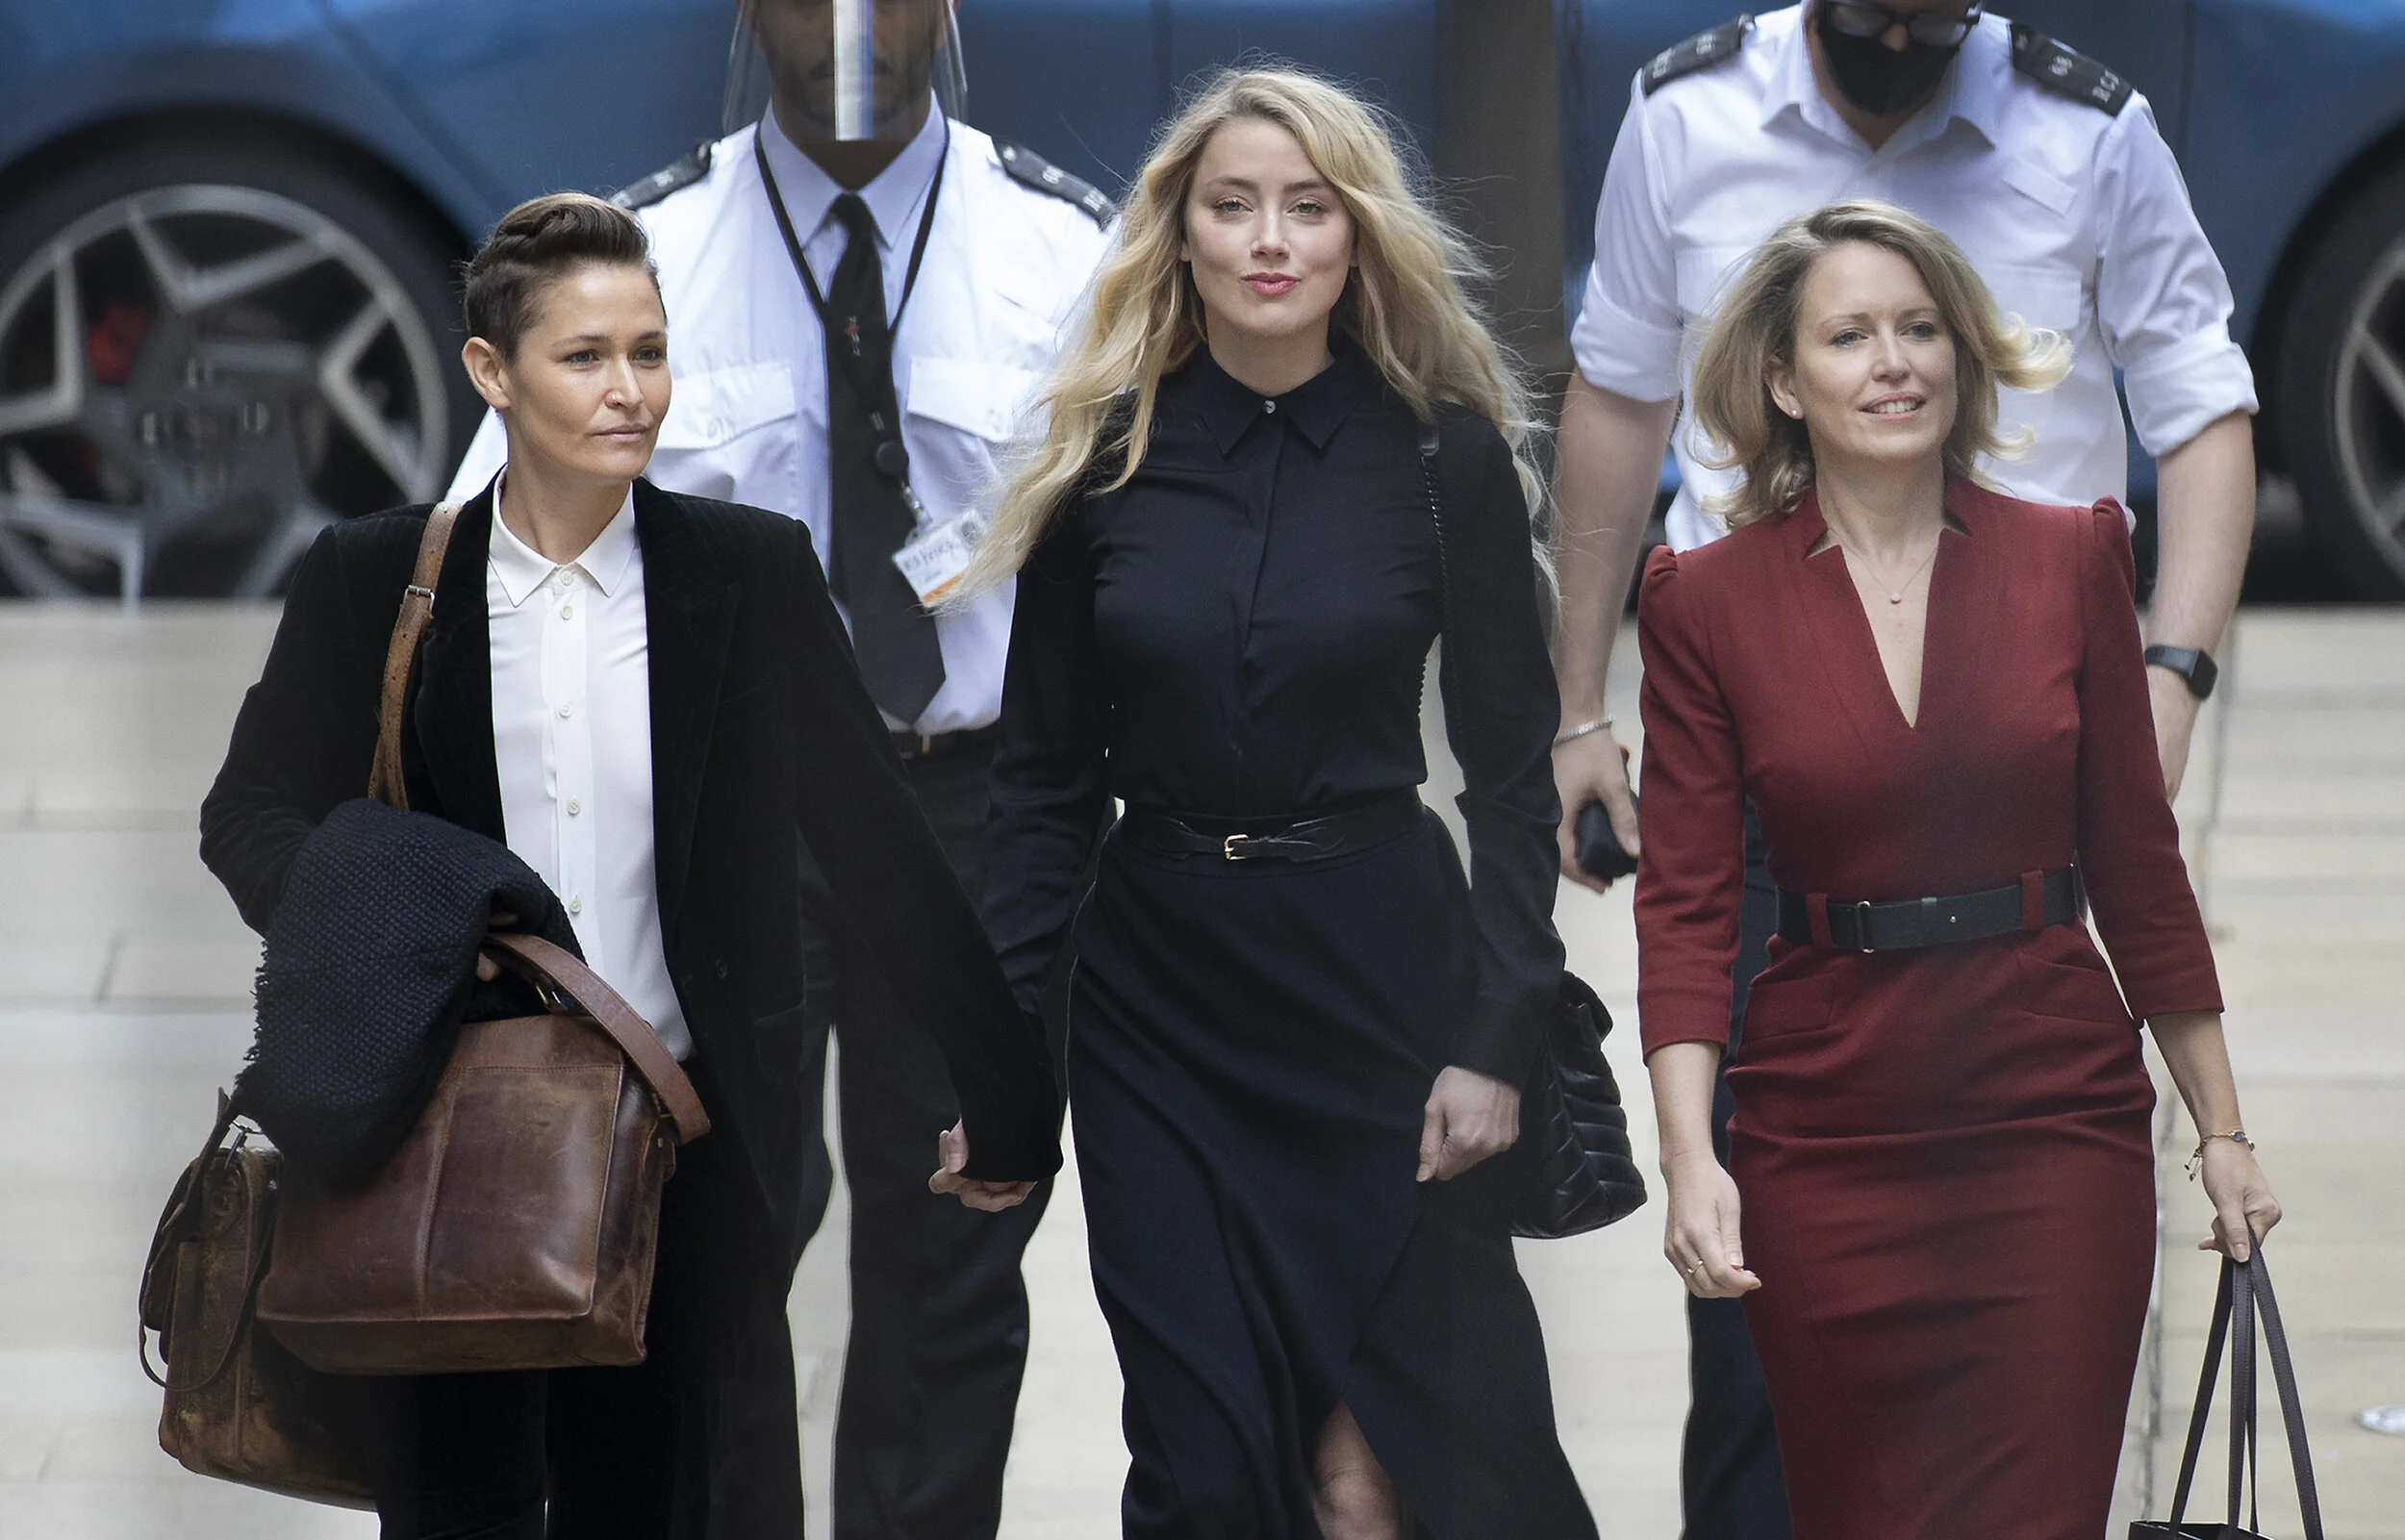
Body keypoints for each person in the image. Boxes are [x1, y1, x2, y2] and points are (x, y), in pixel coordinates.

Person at [203, 192, 1059, 1538]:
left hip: (683, 1153)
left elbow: (876, 842)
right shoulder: (374, 579)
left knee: (653, 1507)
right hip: (438, 1139)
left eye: (650, 352)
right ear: (492, 371)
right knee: (458, 1509)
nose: (631, 391)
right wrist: (407, 924)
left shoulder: (745, 573)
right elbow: (249, 815)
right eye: (586, 356)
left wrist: (1005, 1087)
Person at [1549, 9, 2262, 1531]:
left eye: (1922, 329)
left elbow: (2141, 880)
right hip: (1814, 1009)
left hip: (2041, 1052)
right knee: (1792, 1443)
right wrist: (1690, 1155)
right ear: (1782, 379)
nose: (1893, 362)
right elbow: (1686, 912)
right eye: (1850, 336)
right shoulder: (1709, 596)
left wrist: (2222, 1131)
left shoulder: (2072, 545)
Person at [444, 6, 1113, 1535]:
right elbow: (491, 563)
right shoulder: (649, 253)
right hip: (724, 807)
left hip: (974, 807)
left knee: (958, 1242)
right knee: (715, 1236)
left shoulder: (1065, 250)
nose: (852, 27)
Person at [964, 67, 1595, 1540]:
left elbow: (1510, 779)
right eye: (1233, 205)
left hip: (1384, 992)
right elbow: (1044, 793)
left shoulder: (1443, 455)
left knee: (1412, 1471)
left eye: (1308, 208)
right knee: (1201, 1465)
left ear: (1356, 234)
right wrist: (998, 1063)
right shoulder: (1101, 461)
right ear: (1177, 234)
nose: (1269, 239)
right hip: (1160, 1007)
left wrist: (1496, 1035)